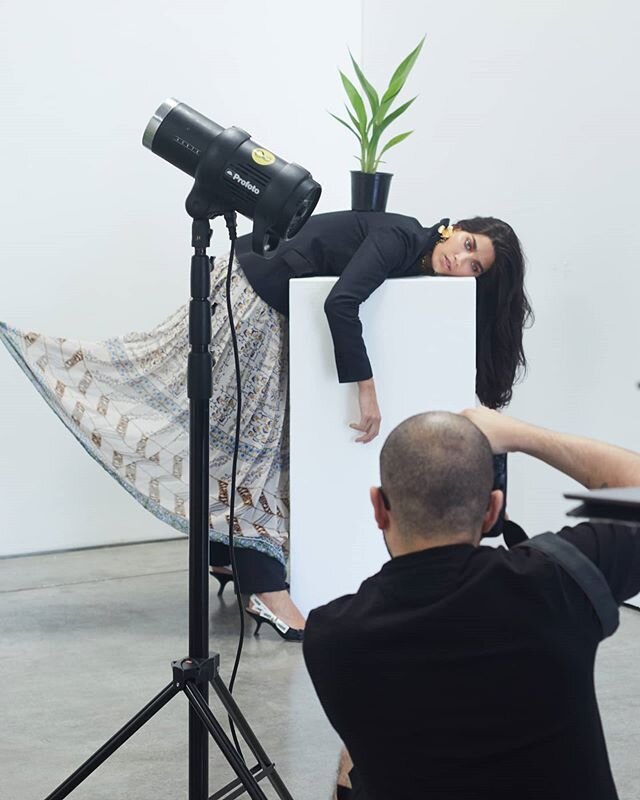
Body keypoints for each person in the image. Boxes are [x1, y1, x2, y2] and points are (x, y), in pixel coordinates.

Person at [0, 210, 530, 640]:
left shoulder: (416, 262)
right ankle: (265, 591)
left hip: (261, 290)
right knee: (248, 448)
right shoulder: (400, 236)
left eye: (474, 267)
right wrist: (366, 387)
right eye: (467, 245)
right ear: (453, 228)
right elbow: (341, 301)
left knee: (239, 440)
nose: (460, 260)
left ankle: (224, 555)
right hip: (252, 295)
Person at [303, 408, 640, 799]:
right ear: (492, 510)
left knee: (351, 758)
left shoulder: (332, 637)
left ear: (378, 508)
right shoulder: (555, 583)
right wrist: (520, 435)